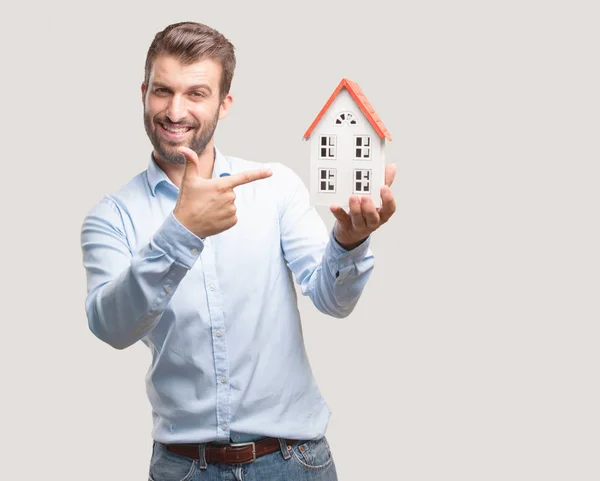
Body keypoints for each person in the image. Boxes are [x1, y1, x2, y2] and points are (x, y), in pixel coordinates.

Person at [80, 21, 396, 481]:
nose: (175, 110)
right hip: (184, 469)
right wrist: (183, 232)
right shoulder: (111, 217)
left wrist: (349, 241)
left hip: (296, 462)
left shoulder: (275, 187)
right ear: (144, 92)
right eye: (163, 91)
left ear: (224, 103)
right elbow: (111, 327)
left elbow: (332, 301)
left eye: (196, 94)